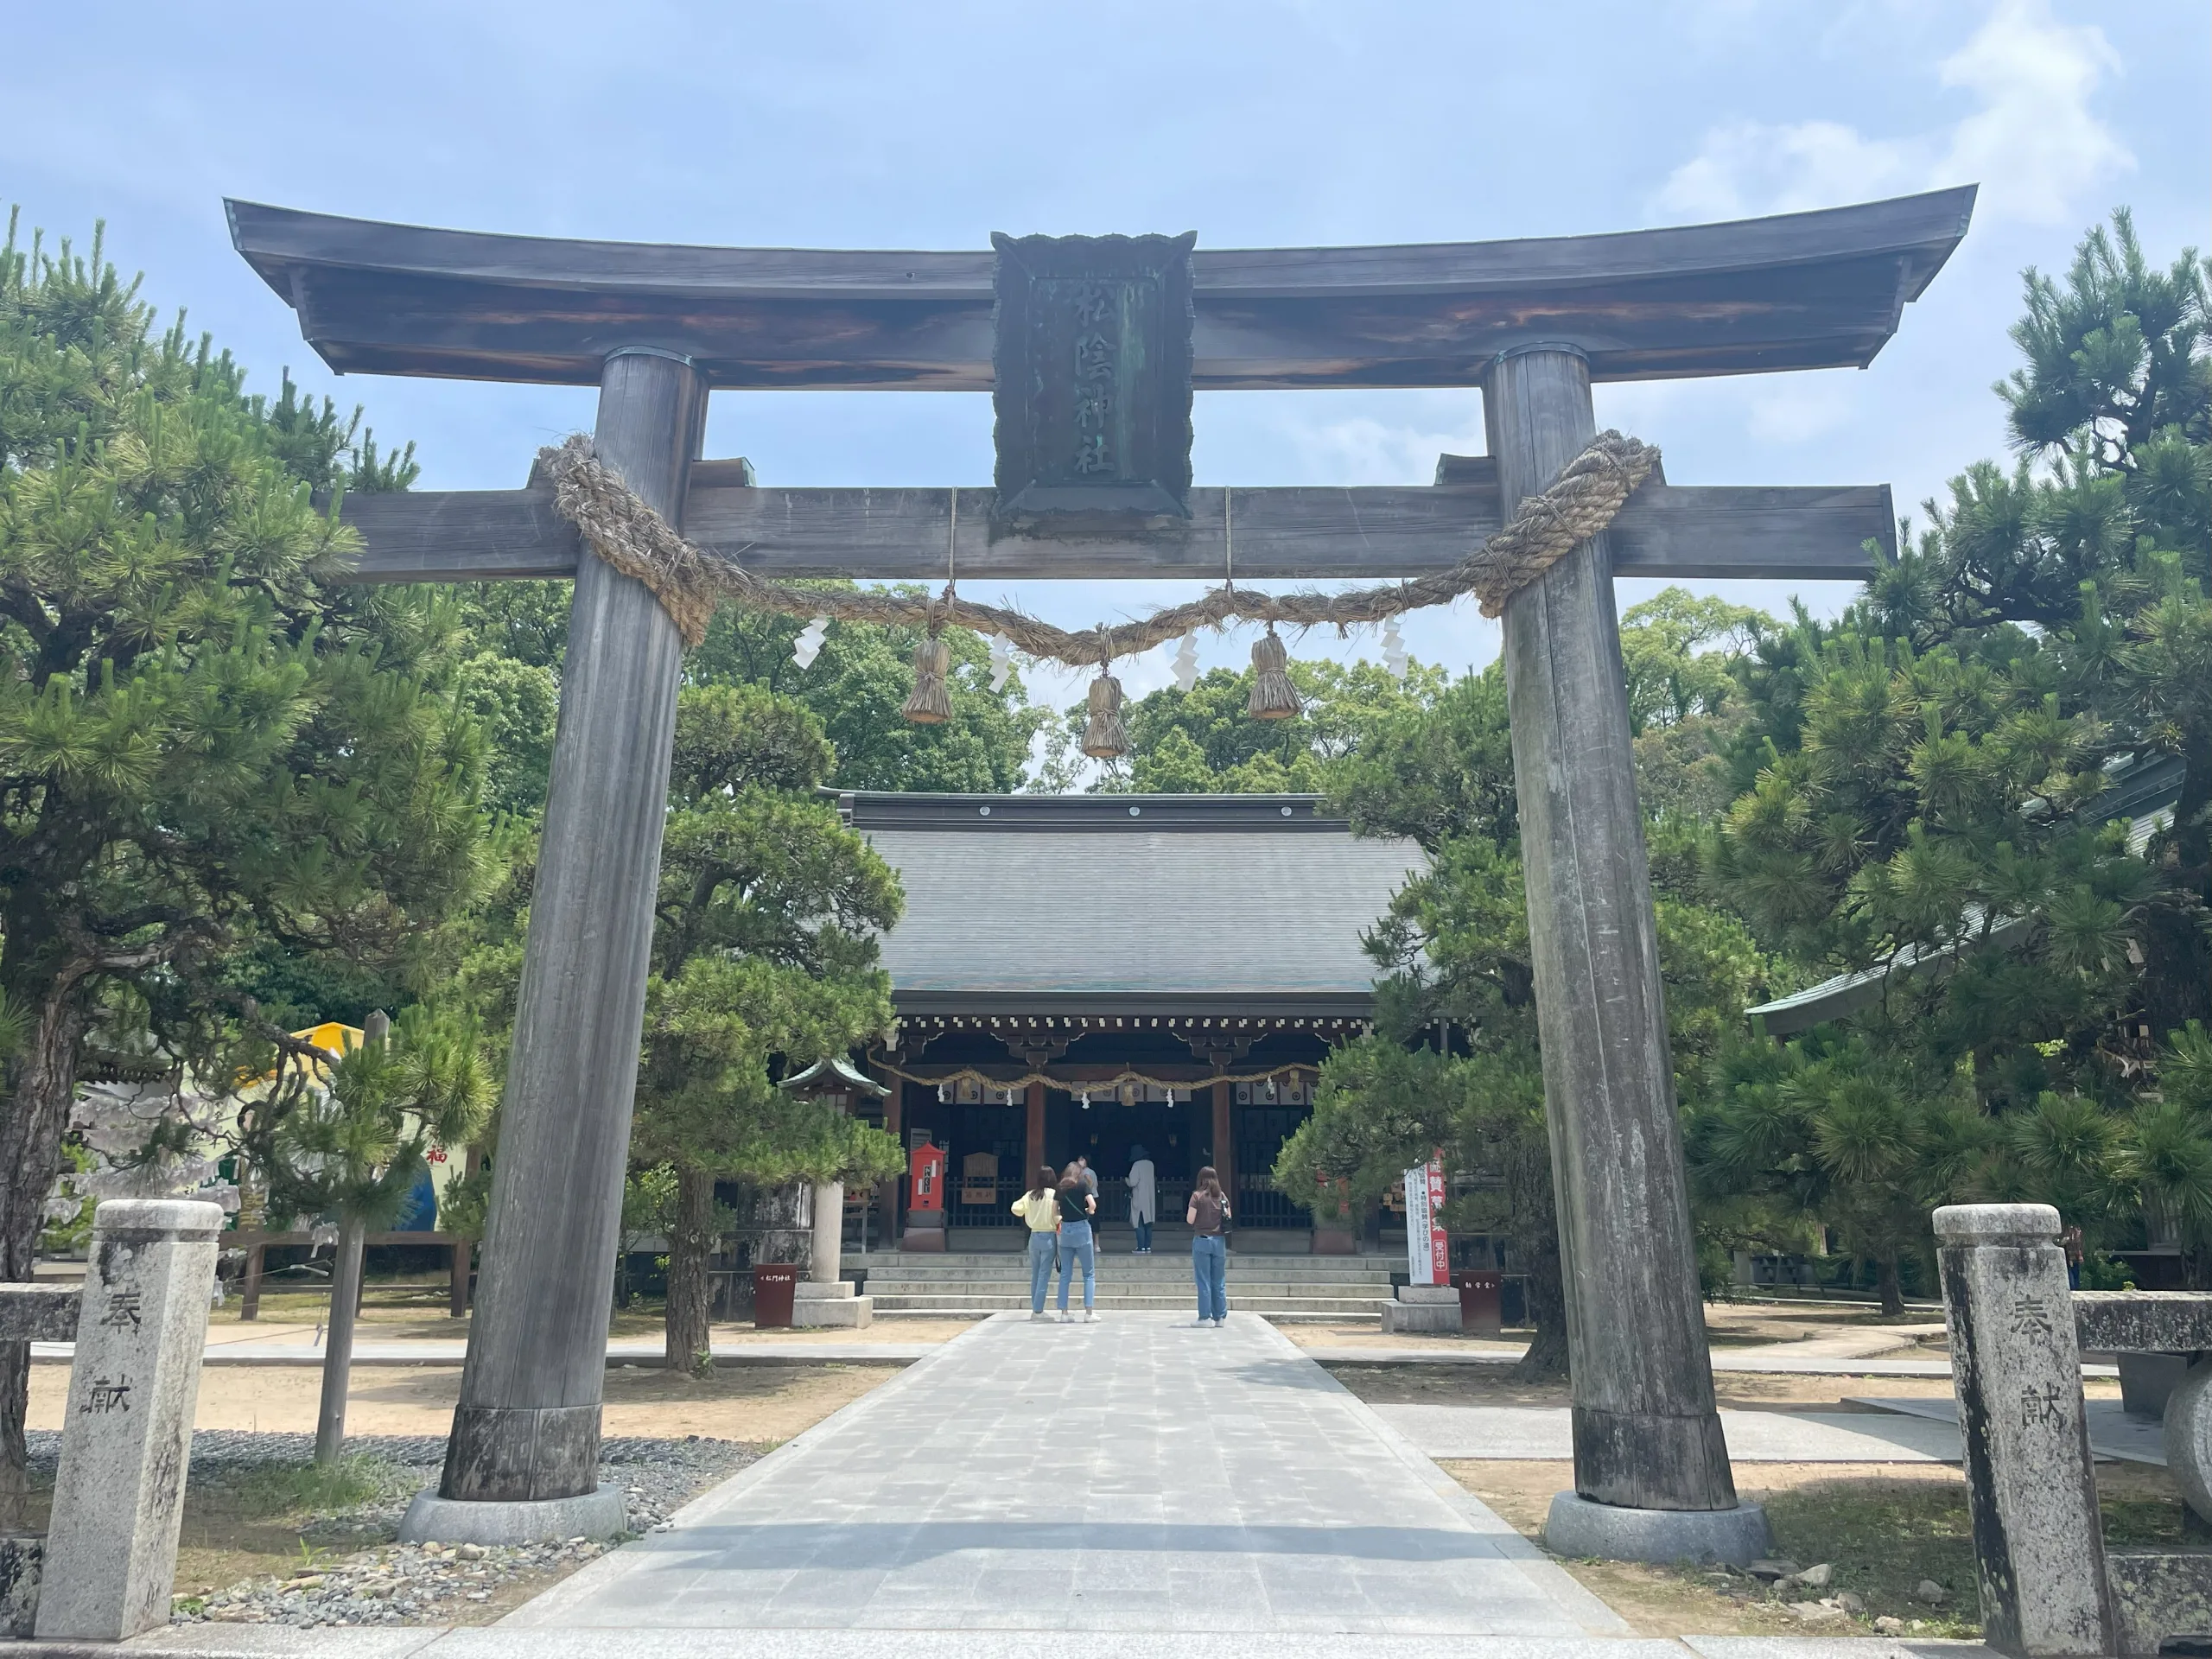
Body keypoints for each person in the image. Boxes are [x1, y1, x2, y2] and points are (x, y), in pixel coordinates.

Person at [1011, 1165, 1061, 1320]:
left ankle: (1036, 1308)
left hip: (1033, 1236)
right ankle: (1038, 1311)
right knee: (1044, 1274)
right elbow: (1058, 1216)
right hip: (1048, 1236)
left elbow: (1015, 1208)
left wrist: (1028, 1213)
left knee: (1036, 1273)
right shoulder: (1054, 1195)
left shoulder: (1030, 1195)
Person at [1055, 1161, 1099, 1322]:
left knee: (1065, 1274)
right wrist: (1089, 1211)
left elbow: (1054, 1211)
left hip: (1066, 1230)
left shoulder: (1060, 1188)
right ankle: (1088, 1313)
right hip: (1081, 1229)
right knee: (1088, 1274)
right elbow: (1092, 1204)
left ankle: (1064, 1313)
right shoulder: (1082, 1184)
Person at [1187, 1165, 1230, 1326]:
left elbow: (1190, 1219)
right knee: (1219, 1280)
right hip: (1219, 1241)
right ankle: (1220, 1317)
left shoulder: (1197, 1196)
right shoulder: (1222, 1196)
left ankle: (1205, 1317)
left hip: (1202, 1239)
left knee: (1203, 1280)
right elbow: (1228, 1216)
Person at [1126, 1144, 1156, 1254]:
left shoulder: (1137, 1165)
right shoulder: (1151, 1165)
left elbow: (1133, 1182)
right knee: (1148, 1222)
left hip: (1139, 1197)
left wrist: (1126, 1180)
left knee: (1138, 1222)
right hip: (1149, 1197)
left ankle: (1140, 1247)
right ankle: (1148, 1246)